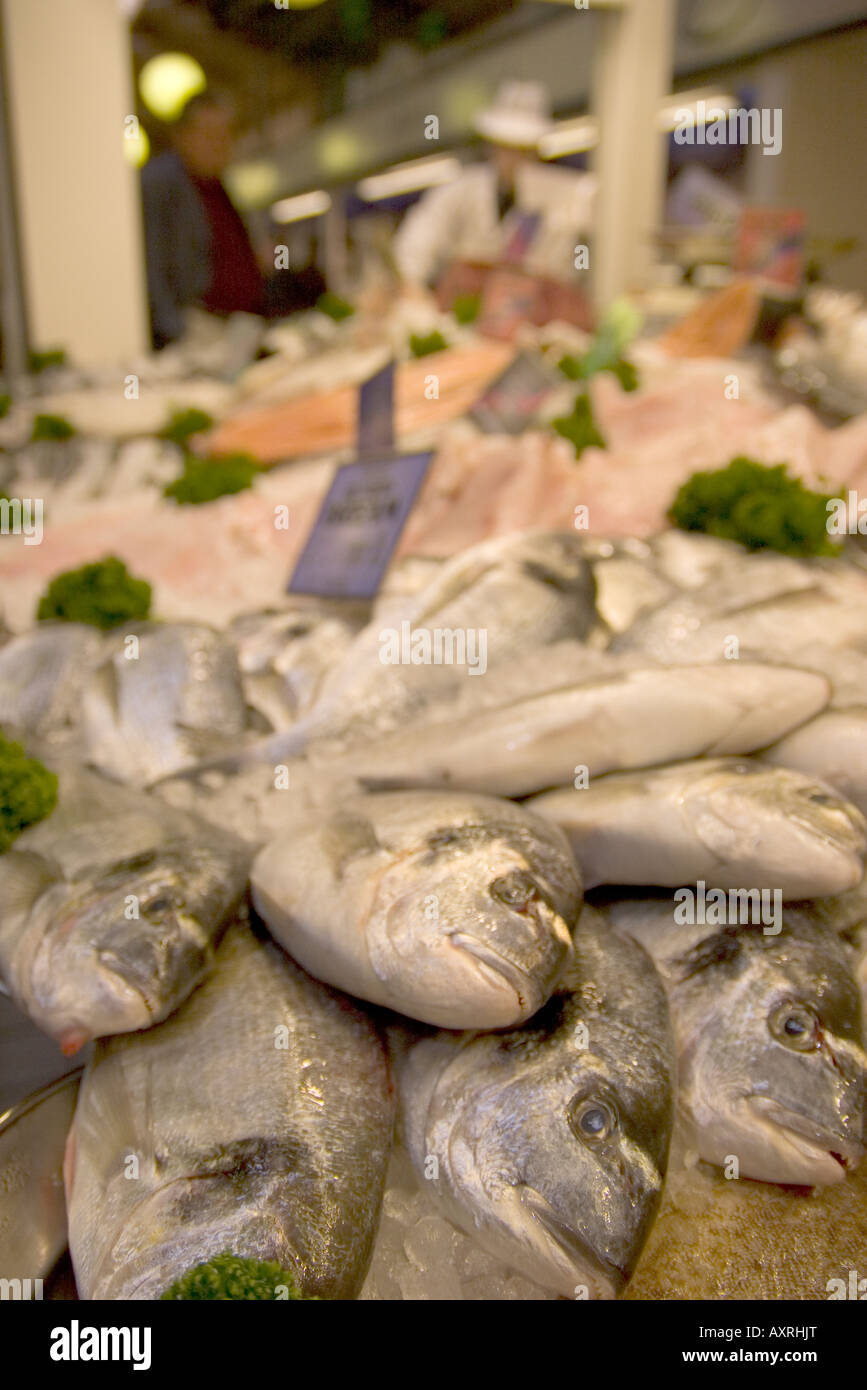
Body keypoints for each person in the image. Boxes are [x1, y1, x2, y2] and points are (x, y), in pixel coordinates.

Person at [141, 92, 324, 349]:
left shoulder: (220, 186)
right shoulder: (161, 182)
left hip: (242, 329)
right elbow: (152, 266)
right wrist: (175, 335)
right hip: (202, 338)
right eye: (210, 135)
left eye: (226, 135)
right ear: (181, 137)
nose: (220, 144)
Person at [393, 80, 594, 290]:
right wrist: (413, 283)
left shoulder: (558, 200)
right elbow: (420, 237)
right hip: (459, 306)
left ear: (537, 152)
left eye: (523, 150)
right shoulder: (458, 190)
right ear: (492, 147)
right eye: (507, 148)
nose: (514, 159)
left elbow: (566, 268)